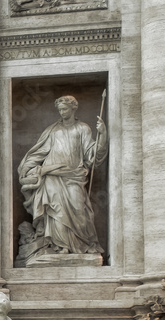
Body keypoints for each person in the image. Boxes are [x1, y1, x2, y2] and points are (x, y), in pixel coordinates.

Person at [17, 95, 107, 257]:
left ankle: (80, 244)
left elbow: (92, 155)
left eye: (65, 109)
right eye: (59, 110)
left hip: (74, 175)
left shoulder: (82, 128)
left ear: (73, 108)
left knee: (78, 209)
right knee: (55, 210)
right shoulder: (53, 130)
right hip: (52, 175)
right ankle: (60, 246)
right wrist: (27, 166)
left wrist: (102, 136)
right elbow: (39, 152)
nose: (62, 112)